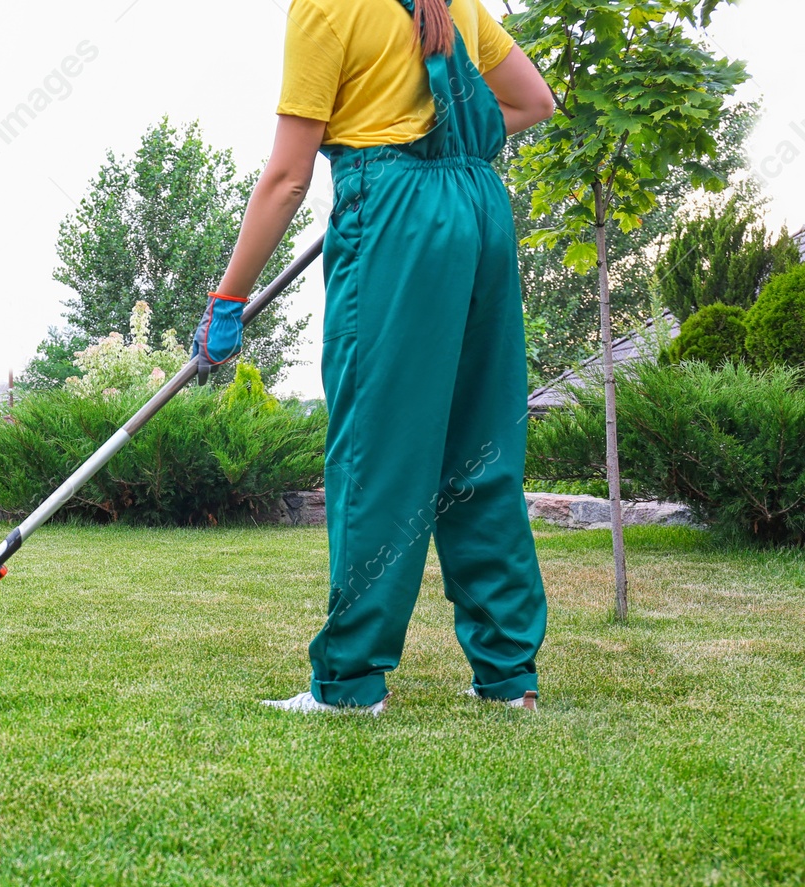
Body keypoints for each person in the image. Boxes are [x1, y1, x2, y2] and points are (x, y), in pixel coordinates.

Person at [191, 0, 557, 715]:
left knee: (376, 452)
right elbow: (534, 101)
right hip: (480, 207)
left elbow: (288, 178)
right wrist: (438, 150)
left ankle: (350, 682)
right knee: (482, 449)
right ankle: (509, 675)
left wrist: (229, 296)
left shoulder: (325, 7)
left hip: (394, 219)